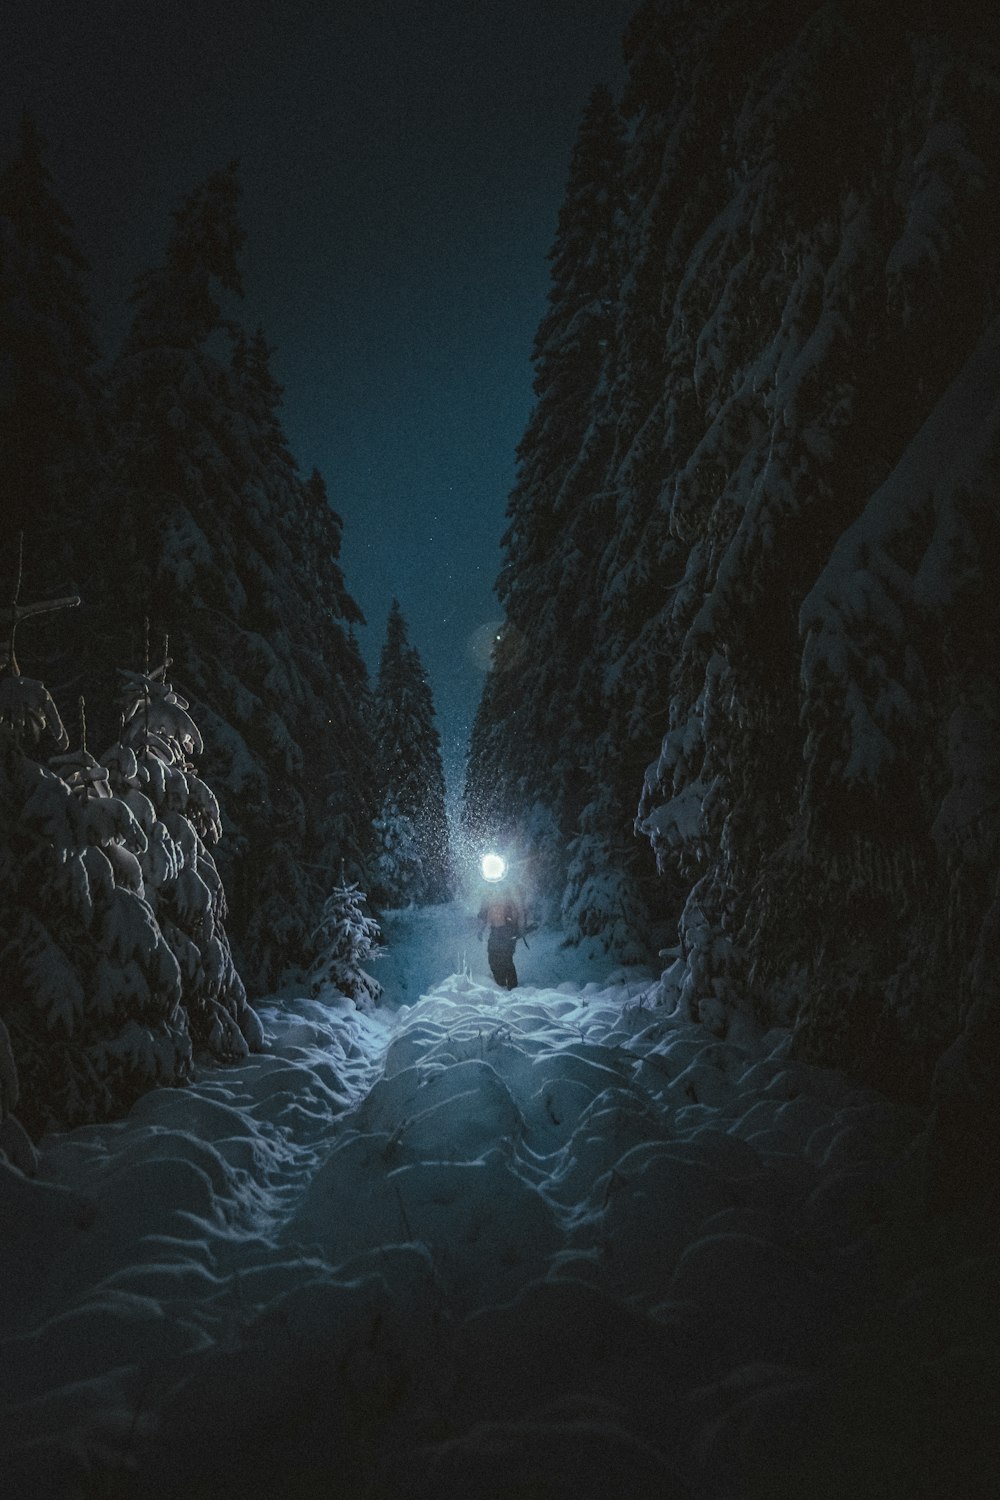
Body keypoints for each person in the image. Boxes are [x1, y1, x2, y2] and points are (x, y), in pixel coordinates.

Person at [477, 873, 528, 990]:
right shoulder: (487, 892)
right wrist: (481, 929)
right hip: (495, 929)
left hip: (509, 929)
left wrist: (521, 929)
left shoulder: (510, 889)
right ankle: (500, 986)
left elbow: (520, 909)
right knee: (493, 958)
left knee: (506, 958)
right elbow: (484, 912)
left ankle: (513, 988)